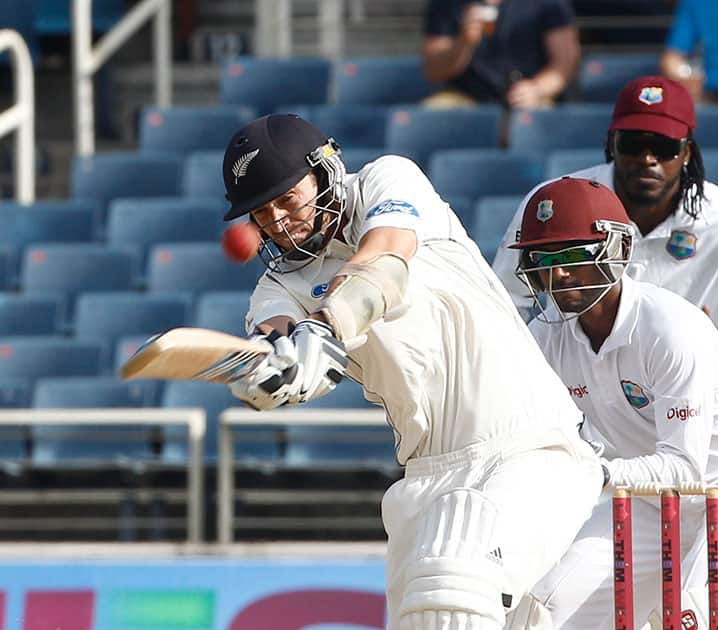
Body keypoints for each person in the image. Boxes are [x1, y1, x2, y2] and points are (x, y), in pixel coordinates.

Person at [219, 113, 604, 629]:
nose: (278, 222)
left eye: (287, 200)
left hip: (530, 448)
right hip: (425, 475)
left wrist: (328, 325)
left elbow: (386, 258)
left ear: (326, 167)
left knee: (452, 593)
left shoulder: (387, 180)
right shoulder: (276, 287)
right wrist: (273, 373)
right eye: (262, 214)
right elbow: (276, 336)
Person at [509, 176, 718, 628]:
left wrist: (594, 473)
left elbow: (684, 467)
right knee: (543, 609)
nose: (558, 274)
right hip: (652, 498)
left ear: (614, 251)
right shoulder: (544, 338)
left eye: (573, 256)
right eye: (544, 259)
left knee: (704, 609)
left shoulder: (669, 327)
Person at [492, 76, 718, 370]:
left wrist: (717, 356)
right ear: (612, 143)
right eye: (633, 144)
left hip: (683, 392)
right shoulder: (555, 202)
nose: (647, 158)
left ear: (687, 152)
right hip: (576, 392)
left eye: (664, 146)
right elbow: (503, 299)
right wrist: (532, 369)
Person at [422, 0, 580, 109]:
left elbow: (565, 63)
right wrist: (463, 42)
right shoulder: (446, 4)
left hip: (530, 96)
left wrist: (537, 89)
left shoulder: (547, 3)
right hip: (466, 98)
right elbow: (434, 71)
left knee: (536, 122)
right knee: (432, 113)